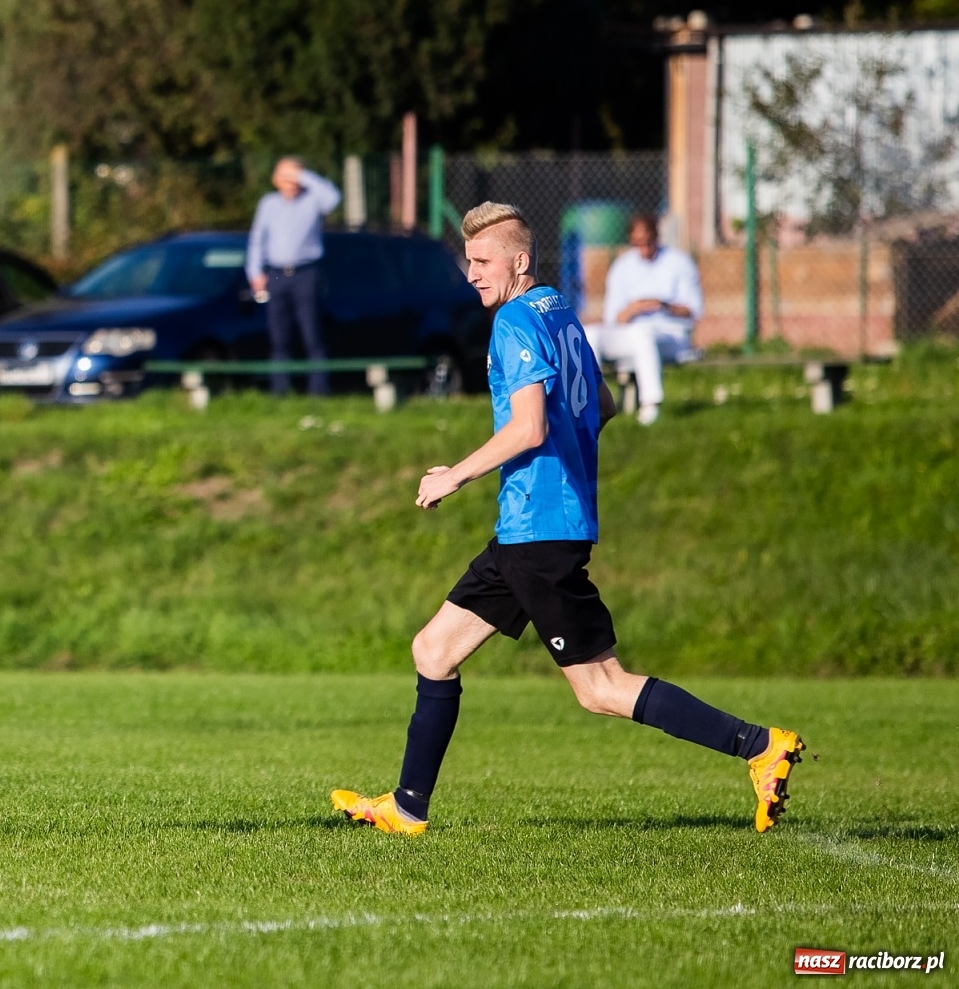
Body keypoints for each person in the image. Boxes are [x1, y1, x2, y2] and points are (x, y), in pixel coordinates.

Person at [330, 202, 804, 838]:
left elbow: (527, 428)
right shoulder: (559, 310)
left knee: (601, 687)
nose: (470, 273)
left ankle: (758, 746)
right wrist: (569, 457)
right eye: (467, 261)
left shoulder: (514, 323)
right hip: (534, 526)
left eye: (481, 261)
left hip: (538, 530)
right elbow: (602, 403)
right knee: (434, 650)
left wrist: (454, 475)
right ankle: (408, 807)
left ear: (518, 262)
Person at [583, 214, 703, 426]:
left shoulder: (678, 262)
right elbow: (613, 318)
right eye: (638, 243)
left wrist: (663, 305)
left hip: (670, 334)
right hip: (629, 332)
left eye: (648, 241)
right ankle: (590, 402)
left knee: (643, 334)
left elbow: (693, 311)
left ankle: (650, 404)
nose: (644, 247)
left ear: (656, 236)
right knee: (590, 334)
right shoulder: (622, 266)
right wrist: (634, 309)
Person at [246, 157, 342, 396]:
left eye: (294, 177)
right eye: (285, 176)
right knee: (278, 336)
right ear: (275, 180)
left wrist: (302, 176)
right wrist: (255, 273)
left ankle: (319, 392)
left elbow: (333, 199)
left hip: (305, 273)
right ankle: (280, 391)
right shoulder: (268, 204)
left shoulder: (312, 201)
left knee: (311, 335)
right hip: (276, 274)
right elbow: (258, 239)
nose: (289, 182)